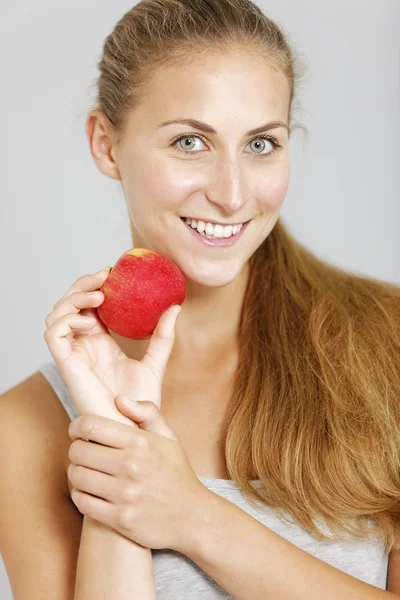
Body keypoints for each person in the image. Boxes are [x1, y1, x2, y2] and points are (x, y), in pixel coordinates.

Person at [1, 0, 400, 598]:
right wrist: (114, 434)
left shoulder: (387, 344)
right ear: (107, 146)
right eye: (191, 141)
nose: (233, 194)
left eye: (261, 145)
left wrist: (192, 516)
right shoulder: (25, 427)